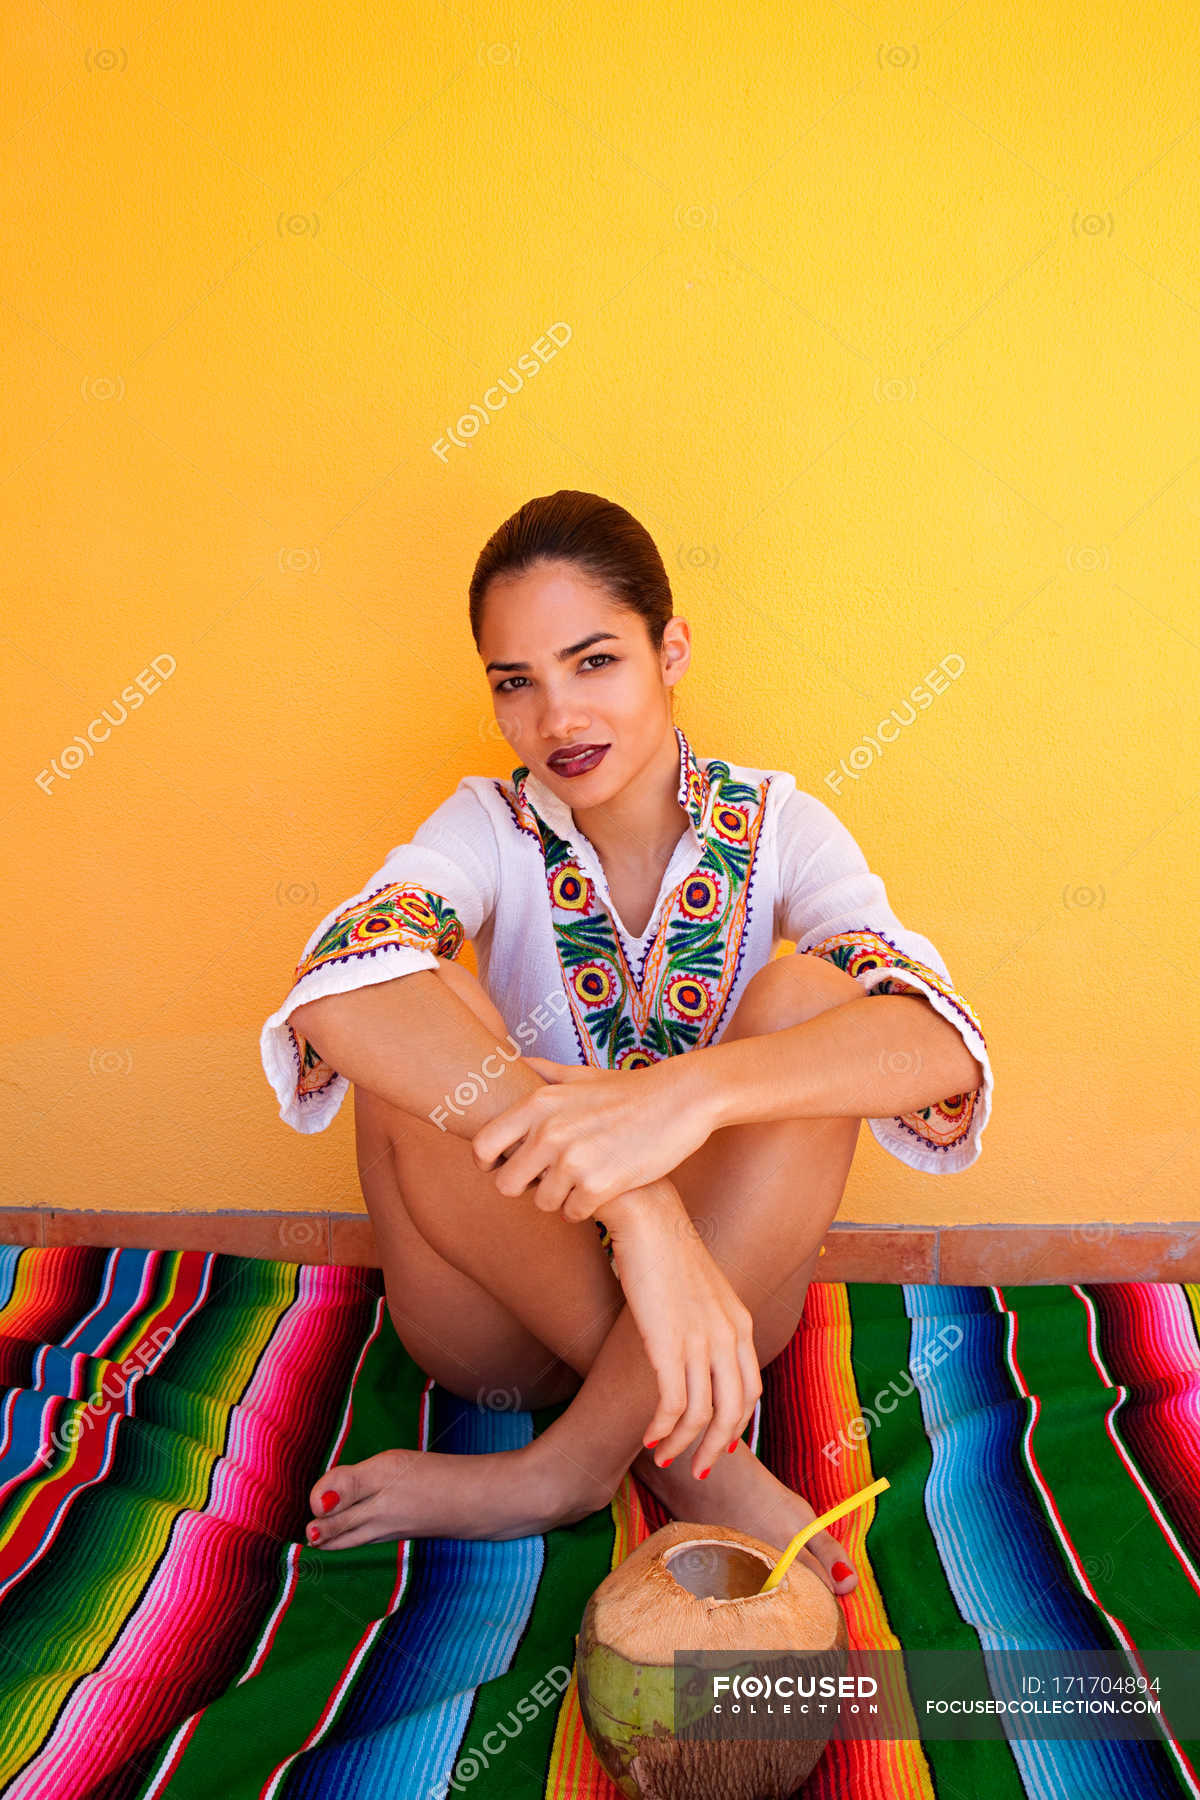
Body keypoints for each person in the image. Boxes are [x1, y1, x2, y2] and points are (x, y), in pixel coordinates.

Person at [259, 489, 992, 1598]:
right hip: (503, 1323)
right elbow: (330, 999)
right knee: (404, 990)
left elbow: (935, 1044)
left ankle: (558, 1471)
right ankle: (687, 1448)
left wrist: (685, 1101)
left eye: (593, 662)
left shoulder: (781, 823)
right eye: (517, 682)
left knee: (810, 999)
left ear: (670, 649)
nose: (557, 717)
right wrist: (637, 1210)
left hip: (726, 1306)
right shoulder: (484, 824)